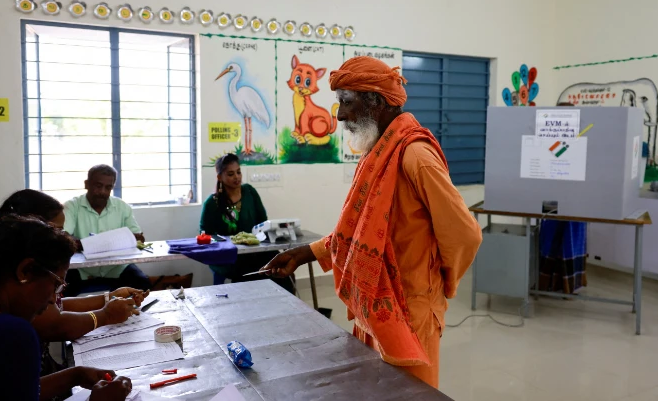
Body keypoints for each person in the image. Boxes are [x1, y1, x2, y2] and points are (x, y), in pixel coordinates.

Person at [263, 56, 482, 389]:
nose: (340, 115)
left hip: (411, 309)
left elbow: (464, 234)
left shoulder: (414, 156)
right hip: (374, 305)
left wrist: (438, 285)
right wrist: (305, 253)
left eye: (346, 102)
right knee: (373, 391)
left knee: (410, 395)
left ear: (376, 101)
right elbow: (359, 230)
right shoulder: (377, 152)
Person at [0, 215, 132, 400]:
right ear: (25, 271)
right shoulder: (9, 333)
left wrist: (74, 375)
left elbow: (7, 390)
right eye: (56, 285)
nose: (53, 300)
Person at [0, 189, 149, 381]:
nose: (60, 237)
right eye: (56, 231)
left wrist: (108, 298)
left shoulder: (12, 260)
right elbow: (54, 323)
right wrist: (106, 315)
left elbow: (55, 306)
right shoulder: (12, 274)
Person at [200, 154, 295, 293]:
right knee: (249, 270)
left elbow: (263, 222)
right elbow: (205, 234)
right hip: (227, 255)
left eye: (238, 172)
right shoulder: (212, 203)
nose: (236, 177)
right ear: (220, 177)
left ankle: (285, 305)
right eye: (231, 174)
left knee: (279, 263)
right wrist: (227, 242)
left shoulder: (249, 192)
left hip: (255, 249)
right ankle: (250, 306)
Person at [63, 165, 151, 296]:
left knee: (142, 283)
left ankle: (135, 315)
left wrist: (135, 238)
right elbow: (63, 237)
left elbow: (138, 238)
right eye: (98, 186)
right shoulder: (72, 206)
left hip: (116, 267)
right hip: (82, 269)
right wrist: (92, 244)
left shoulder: (122, 207)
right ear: (87, 184)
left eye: (108, 187)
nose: (103, 192)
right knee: (62, 289)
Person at [538, 102, 588, 294]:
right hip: (551, 201)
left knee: (571, 242)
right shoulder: (547, 141)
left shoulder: (581, 140)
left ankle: (568, 286)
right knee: (551, 241)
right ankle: (547, 285)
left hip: (575, 202)